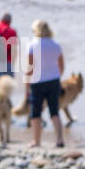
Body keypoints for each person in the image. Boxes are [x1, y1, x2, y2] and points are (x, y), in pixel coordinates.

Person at [25, 19, 65, 148]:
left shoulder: (32, 44)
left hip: (37, 81)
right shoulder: (55, 44)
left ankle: (37, 141)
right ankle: (59, 139)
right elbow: (61, 66)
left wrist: (27, 84)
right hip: (54, 80)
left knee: (36, 113)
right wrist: (57, 76)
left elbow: (30, 68)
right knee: (54, 111)